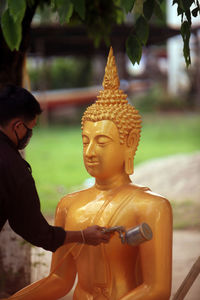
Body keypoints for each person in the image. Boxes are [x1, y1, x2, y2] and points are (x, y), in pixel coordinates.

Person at [10, 48, 172, 300]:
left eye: (102, 141)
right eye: (85, 141)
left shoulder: (152, 207)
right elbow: (59, 280)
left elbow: (156, 289)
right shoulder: (69, 205)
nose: (90, 151)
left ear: (128, 142)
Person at [0, 85, 111, 252]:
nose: (90, 152)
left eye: (102, 142)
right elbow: (38, 232)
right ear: (17, 126)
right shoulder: (14, 169)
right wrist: (83, 235)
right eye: (30, 129)